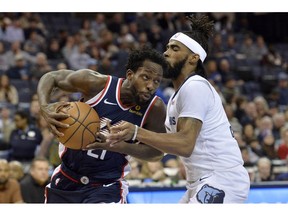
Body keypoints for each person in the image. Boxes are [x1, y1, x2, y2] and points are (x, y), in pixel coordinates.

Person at [100, 14, 250, 203]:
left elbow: (185, 145)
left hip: (221, 179)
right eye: (167, 47)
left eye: (174, 48)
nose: (165, 52)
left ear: (193, 58)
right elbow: (162, 148)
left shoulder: (195, 86)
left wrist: (137, 132)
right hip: (200, 181)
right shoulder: (177, 96)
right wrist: (120, 141)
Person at [37, 46, 167, 203]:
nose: (151, 86)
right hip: (67, 177)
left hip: (106, 186)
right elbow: (52, 77)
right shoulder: (97, 84)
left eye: (156, 81)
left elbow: (157, 153)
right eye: (146, 77)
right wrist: (44, 107)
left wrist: (119, 146)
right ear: (130, 75)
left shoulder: (155, 108)